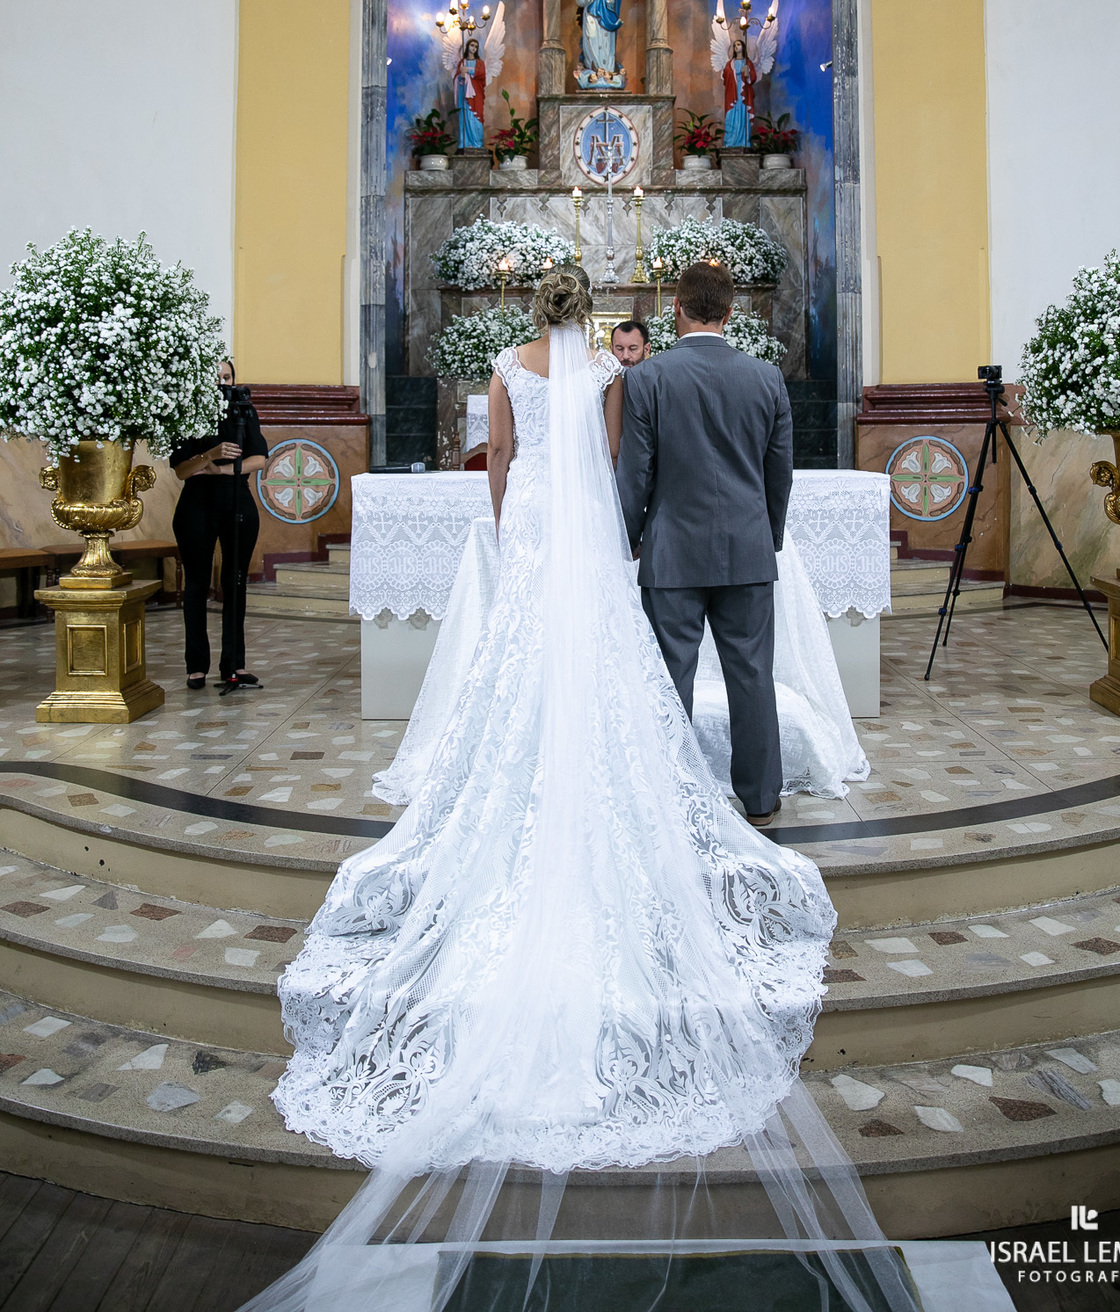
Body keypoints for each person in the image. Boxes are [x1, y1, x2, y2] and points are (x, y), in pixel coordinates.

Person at [243, 270, 916, 1312]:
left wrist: (523, 526)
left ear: (532, 311)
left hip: (551, 533)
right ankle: (742, 793)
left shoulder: (520, 368)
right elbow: (620, 465)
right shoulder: (619, 372)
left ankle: (535, 783)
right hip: (653, 539)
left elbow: (505, 461)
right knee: (678, 678)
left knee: (541, 678)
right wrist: (629, 534)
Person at [617, 260, 791, 828]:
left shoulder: (648, 377)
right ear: (731, 312)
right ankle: (760, 799)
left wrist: (630, 536)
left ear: (676, 309)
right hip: (747, 548)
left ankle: (672, 797)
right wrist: (768, 536)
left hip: (672, 551)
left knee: (671, 679)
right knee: (752, 674)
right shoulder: (766, 377)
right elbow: (779, 472)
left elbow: (635, 471)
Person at [170, 361, 267, 690]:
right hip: (196, 506)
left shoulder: (244, 410)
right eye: (216, 378)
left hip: (236, 501)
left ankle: (234, 664)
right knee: (197, 584)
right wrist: (210, 454)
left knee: (235, 583)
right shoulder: (185, 413)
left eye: (227, 377)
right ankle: (196, 666)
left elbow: (259, 458)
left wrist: (221, 470)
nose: (222, 383)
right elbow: (182, 470)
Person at [722, 34, 757, 147]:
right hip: (733, 93)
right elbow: (725, 77)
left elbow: (753, 78)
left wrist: (747, 72)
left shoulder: (748, 63)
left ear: (743, 47)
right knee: (731, 116)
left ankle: (744, 142)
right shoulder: (730, 64)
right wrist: (735, 72)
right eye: (735, 45)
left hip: (744, 94)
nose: (736, 47)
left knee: (743, 115)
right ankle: (729, 142)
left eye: (738, 44)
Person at [452, 36, 486, 148]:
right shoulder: (462, 62)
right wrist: (461, 76)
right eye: (472, 45)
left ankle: (477, 143)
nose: (474, 48)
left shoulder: (480, 63)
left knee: (475, 118)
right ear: (467, 47)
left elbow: (481, 75)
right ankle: (464, 143)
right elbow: (457, 77)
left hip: (476, 94)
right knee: (464, 117)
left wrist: (468, 71)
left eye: (476, 46)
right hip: (464, 93)